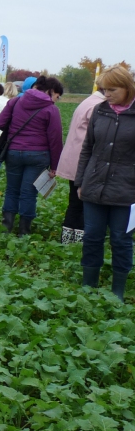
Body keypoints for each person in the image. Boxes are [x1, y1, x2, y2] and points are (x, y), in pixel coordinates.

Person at [75, 66, 135, 301]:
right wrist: (80, 181)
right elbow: (87, 147)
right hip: (94, 185)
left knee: (121, 239)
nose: (106, 94)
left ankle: (117, 289)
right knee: (92, 236)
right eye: (103, 90)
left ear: (127, 88)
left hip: (127, 190)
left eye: (112, 89)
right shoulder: (100, 111)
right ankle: (88, 283)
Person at [0, 75, 64, 235]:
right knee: (28, 193)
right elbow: (55, 140)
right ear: (50, 91)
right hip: (38, 155)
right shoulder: (51, 109)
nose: (55, 100)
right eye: (56, 96)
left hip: (13, 152)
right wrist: (55, 166)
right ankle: (23, 231)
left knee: (12, 189)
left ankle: (6, 226)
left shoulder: (16, 101)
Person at [57, 90, 106, 244]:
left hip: (74, 159)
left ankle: (66, 240)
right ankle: (79, 242)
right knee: (86, 204)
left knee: (74, 202)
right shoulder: (98, 106)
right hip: (85, 161)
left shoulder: (88, 101)